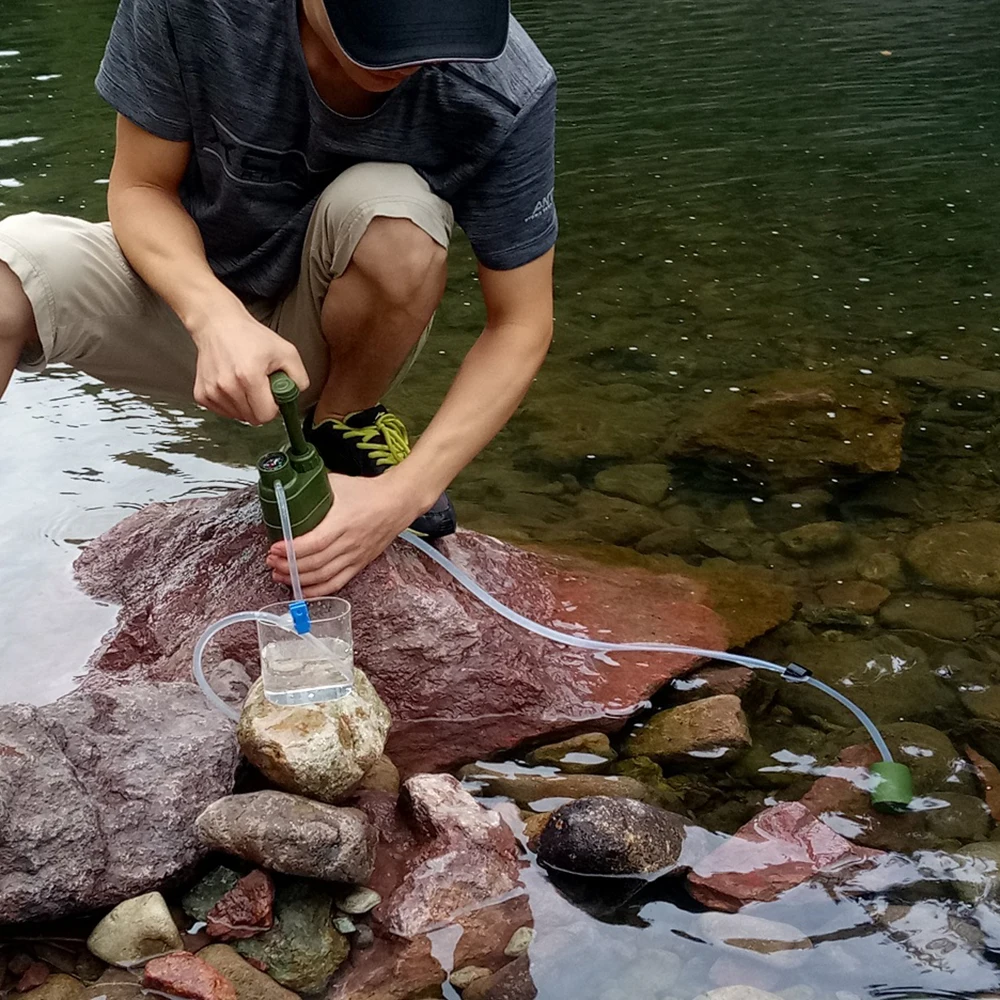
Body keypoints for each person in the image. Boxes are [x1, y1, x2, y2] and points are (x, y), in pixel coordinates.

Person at [0, 0, 557, 596]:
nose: (415, 60)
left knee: (396, 217)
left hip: (333, 332)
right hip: (185, 296)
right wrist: (213, 317)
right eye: (383, 30)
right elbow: (140, 188)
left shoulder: (503, 89)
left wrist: (402, 495)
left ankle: (345, 428)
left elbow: (521, 323)